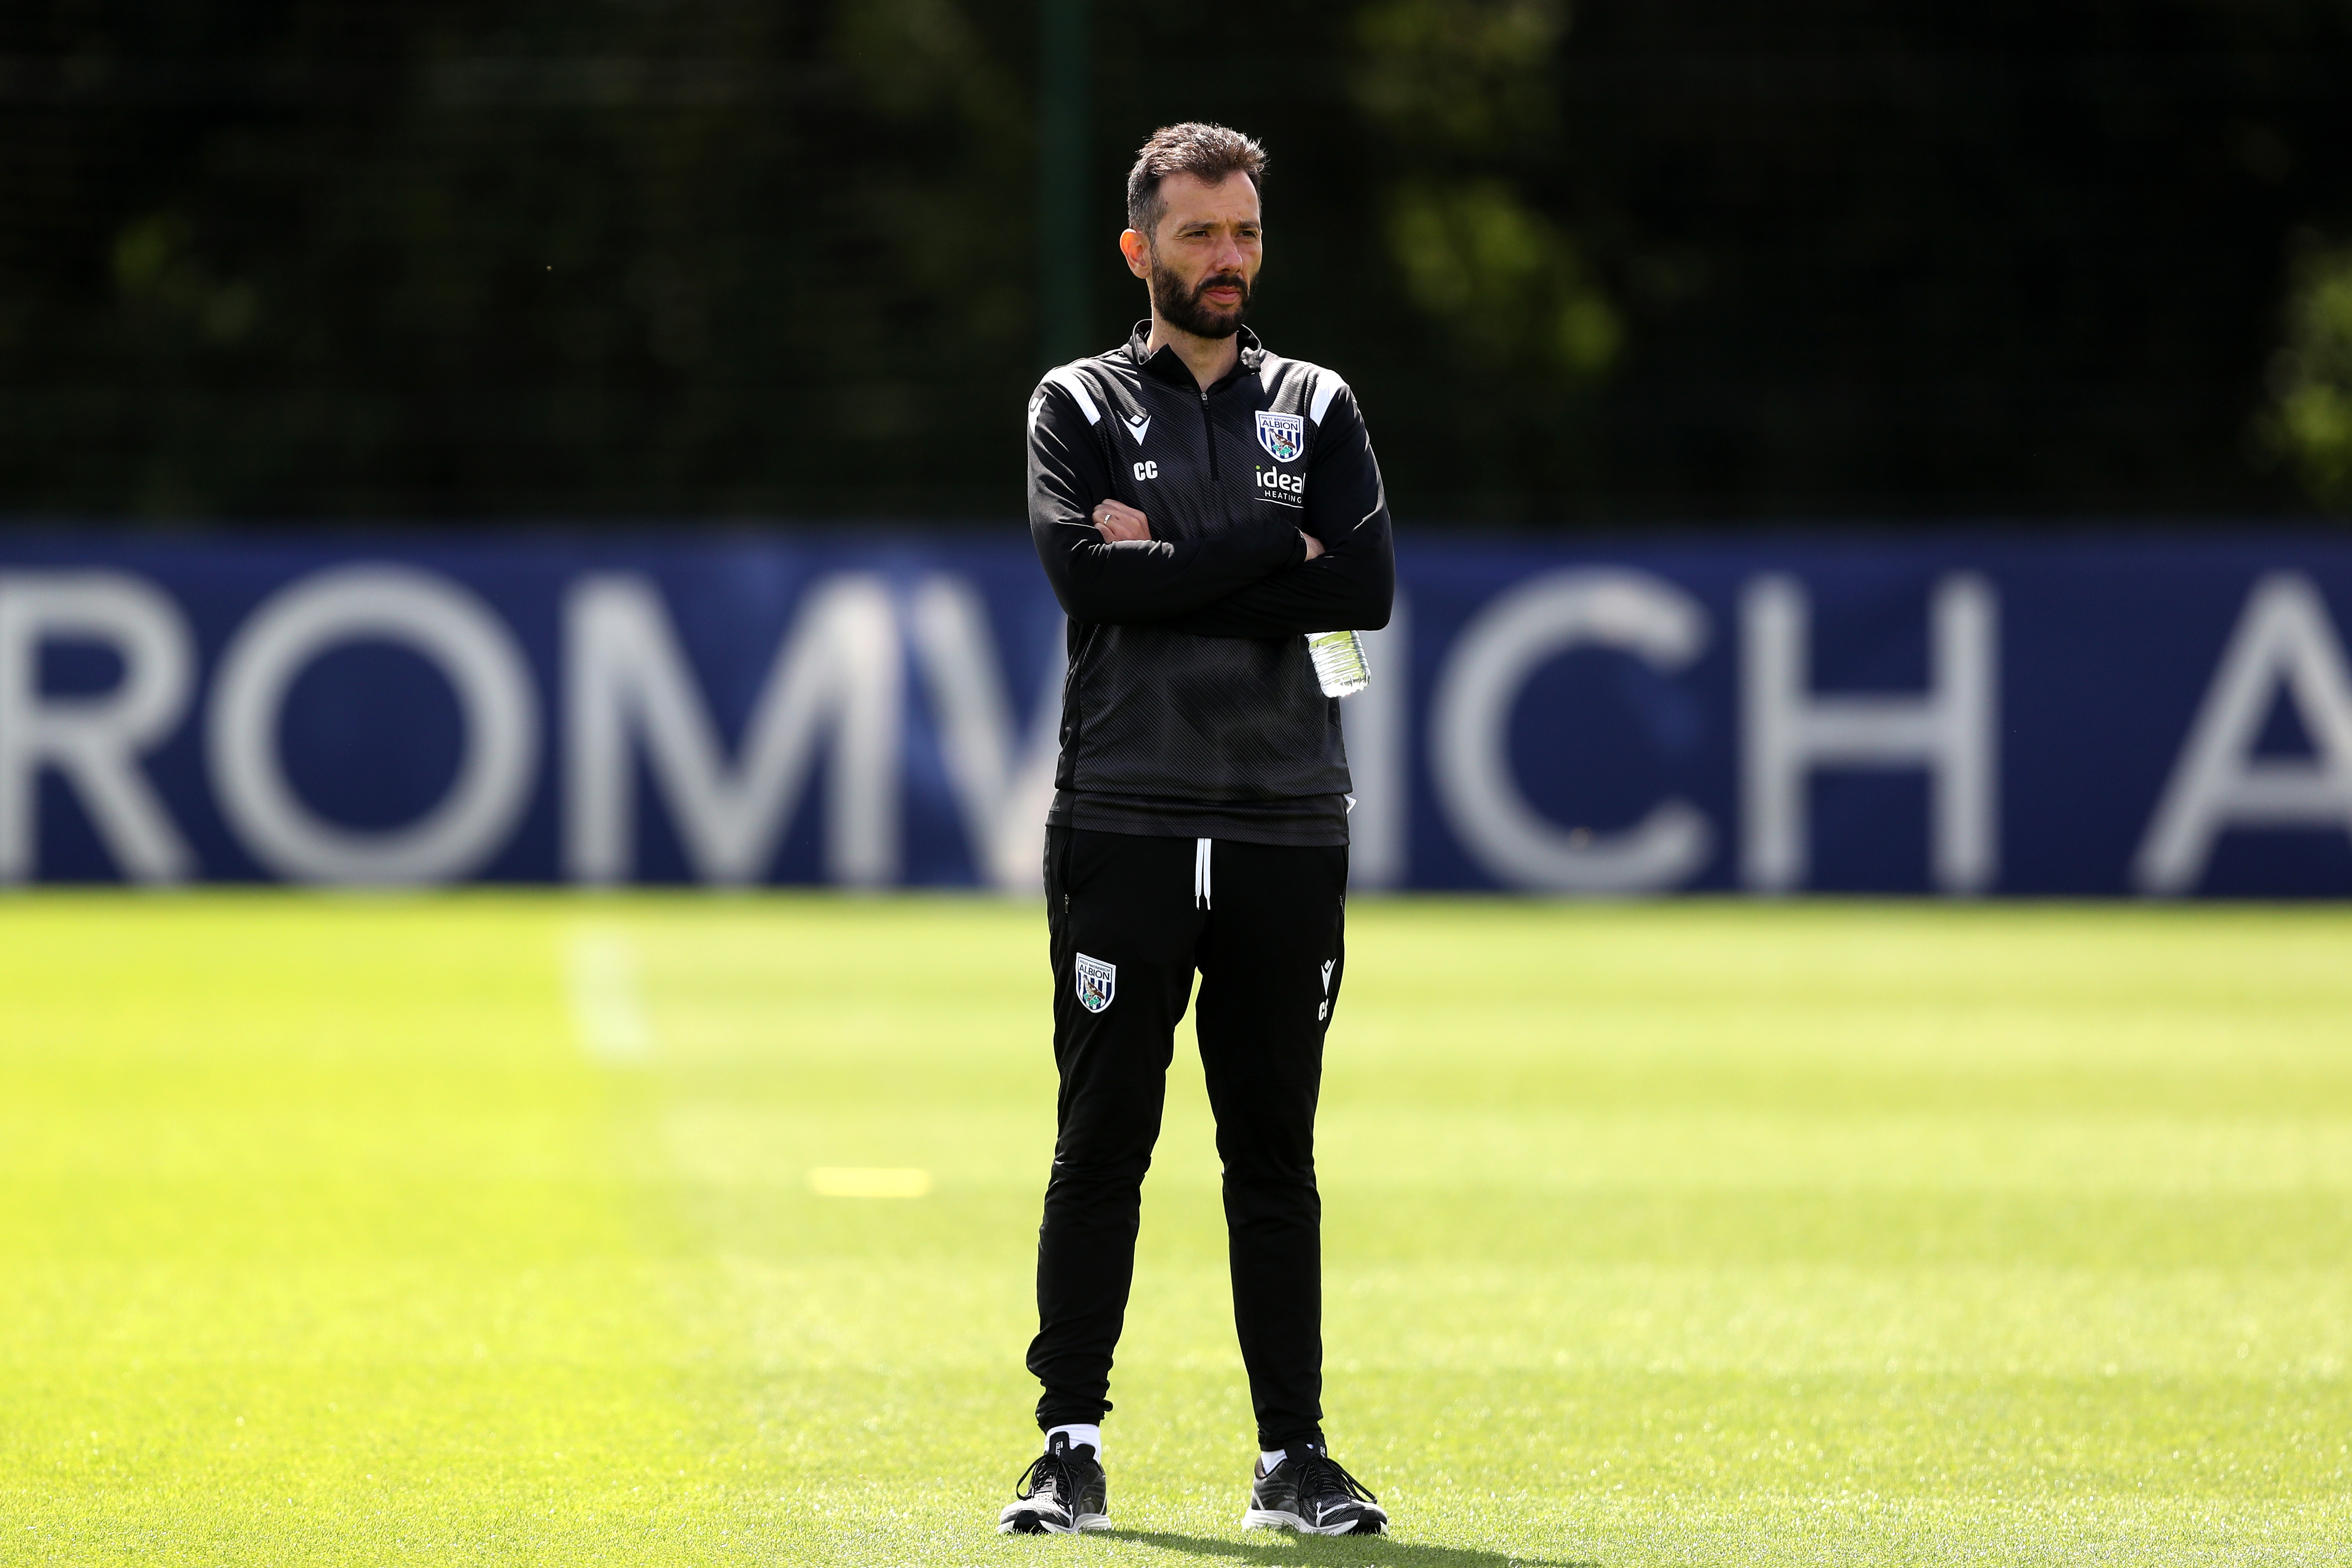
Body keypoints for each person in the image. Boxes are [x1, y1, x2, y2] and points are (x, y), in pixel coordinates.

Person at [996, 122, 1395, 1538]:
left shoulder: (1319, 401)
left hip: (1289, 819)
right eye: (1198, 236)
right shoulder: (1080, 402)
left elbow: (1366, 589)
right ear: (1138, 250)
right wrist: (1263, 558)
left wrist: (1165, 555)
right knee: (1102, 1142)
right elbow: (1084, 579)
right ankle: (1066, 1442)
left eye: (1243, 234)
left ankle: (1294, 1457)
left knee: (1271, 1154)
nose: (1227, 260)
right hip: (1127, 814)